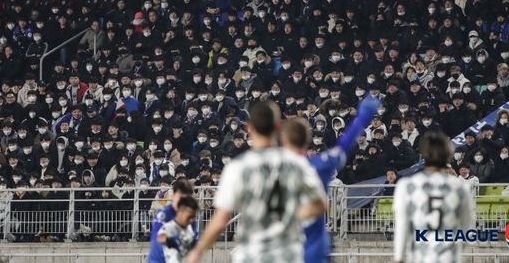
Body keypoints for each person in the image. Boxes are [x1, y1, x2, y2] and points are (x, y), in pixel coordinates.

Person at [185, 100, 326, 263]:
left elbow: (220, 219)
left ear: (249, 128)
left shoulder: (238, 168)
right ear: (279, 127)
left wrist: (198, 251)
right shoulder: (296, 163)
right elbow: (320, 204)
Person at [282, 95, 380, 263]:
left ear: (284, 140)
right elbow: (344, 144)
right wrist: (364, 115)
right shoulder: (321, 164)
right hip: (316, 250)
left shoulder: (274, 168)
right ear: (307, 139)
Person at [393, 131, 473, 263]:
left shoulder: (407, 186)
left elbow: (402, 226)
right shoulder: (459, 187)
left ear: (423, 154)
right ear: (448, 154)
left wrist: (399, 257)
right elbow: (467, 228)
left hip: (420, 257)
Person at [147, 179, 195, 263]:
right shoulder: (163, 214)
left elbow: (193, 242)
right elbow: (158, 238)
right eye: (180, 195)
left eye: (186, 197)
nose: (182, 200)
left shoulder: (190, 217)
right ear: (173, 195)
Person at [157, 195, 199, 263]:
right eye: (189, 216)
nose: (191, 220)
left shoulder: (189, 229)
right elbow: (160, 237)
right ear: (180, 212)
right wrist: (170, 240)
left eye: (193, 217)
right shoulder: (170, 226)